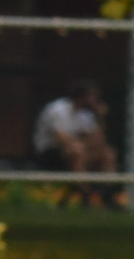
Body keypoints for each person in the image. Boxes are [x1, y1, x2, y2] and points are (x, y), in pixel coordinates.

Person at [33, 80, 118, 208]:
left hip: (77, 150)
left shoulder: (85, 114)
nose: (95, 100)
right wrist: (85, 146)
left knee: (108, 154)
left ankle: (108, 195)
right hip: (50, 151)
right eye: (93, 96)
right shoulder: (57, 109)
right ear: (83, 96)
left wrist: (100, 117)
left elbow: (99, 141)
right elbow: (61, 139)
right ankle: (86, 195)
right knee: (77, 151)